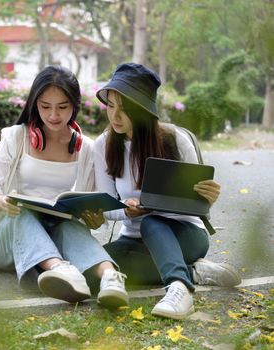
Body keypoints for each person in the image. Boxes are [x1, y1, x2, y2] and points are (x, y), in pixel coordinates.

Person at [0, 65, 128, 307]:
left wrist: (93, 217)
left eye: (62, 107)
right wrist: (2, 202)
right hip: (10, 234)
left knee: (71, 227)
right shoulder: (14, 137)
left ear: (74, 106)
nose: (53, 115)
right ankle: (60, 271)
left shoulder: (86, 149)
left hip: (56, 230)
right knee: (23, 213)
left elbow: (89, 202)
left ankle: (110, 278)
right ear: (34, 104)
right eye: (45, 107)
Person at [92, 63, 241, 320]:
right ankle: (192, 272)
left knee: (151, 222)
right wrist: (125, 210)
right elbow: (108, 208)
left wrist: (208, 197)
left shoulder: (175, 139)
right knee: (94, 270)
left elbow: (196, 201)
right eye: (111, 106)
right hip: (133, 240)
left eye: (125, 109)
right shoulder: (103, 145)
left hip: (185, 234)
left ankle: (180, 288)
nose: (115, 116)